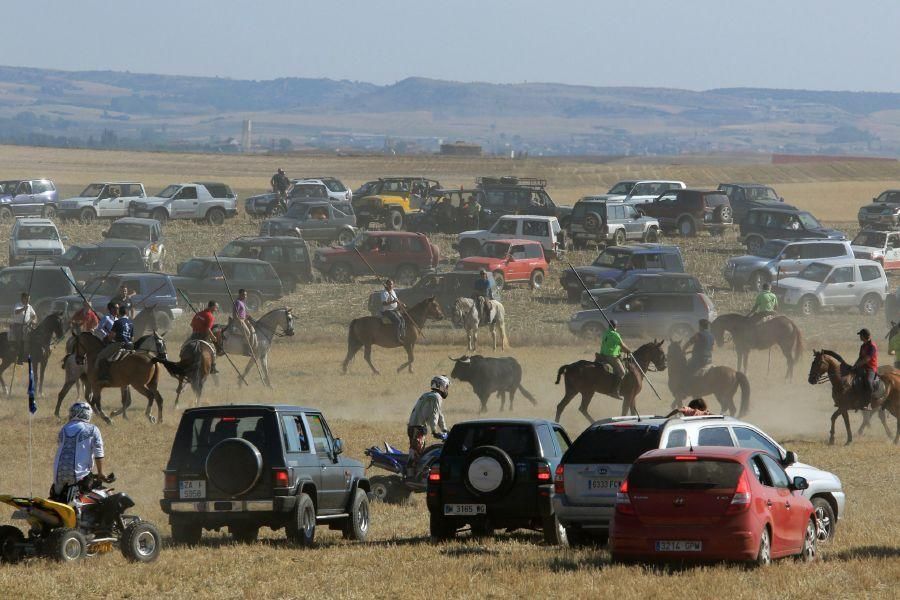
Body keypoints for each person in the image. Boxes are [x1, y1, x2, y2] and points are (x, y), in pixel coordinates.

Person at [51, 402, 108, 504]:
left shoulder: (64, 429)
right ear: (87, 414)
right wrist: (100, 473)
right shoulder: (92, 429)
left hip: (58, 475)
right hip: (80, 475)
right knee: (101, 496)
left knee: (57, 499)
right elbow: (98, 453)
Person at [406, 376, 450, 477]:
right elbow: (433, 414)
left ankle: (413, 474)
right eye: (446, 386)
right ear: (442, 386)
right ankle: (410, 477)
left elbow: (439, 414)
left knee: (417, 451)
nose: (447, 389)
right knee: (415, 452)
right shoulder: (436, 397)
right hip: (418, 427)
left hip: (414, 426)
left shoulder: (428, 395)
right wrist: (434, 430)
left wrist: (444, 429)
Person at [95, 304, 134, 385]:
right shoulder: (131, 323)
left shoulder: (117, 321)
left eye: (118, 308)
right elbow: (132, 338)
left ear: (119, 312)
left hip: (118, 344)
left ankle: (105, 376)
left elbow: (112, 336)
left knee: (101, 356)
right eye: (115, 308)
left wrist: (107, 339)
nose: (117, 310)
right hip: (130, 345)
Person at [596, 319, 633, 399]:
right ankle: (614, 391)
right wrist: (629, 351)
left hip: (602, 355)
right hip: (611, 356)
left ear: (609, 326)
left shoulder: (605, 333)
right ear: (616, 326)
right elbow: (622, 346)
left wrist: (621, 350)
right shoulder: (615, 334)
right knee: (622, 372)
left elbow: (614, 345)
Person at [189, 300, 219, 374]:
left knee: (184, 346)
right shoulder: (210, 316)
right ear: (212, 307)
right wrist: (213, 337)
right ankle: (213, 367)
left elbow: (191, 325)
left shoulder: (198, 314)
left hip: (193, 336)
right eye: (216, 307)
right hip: (203, 336)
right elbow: (208, 329)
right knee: (213, 350)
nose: (216, 309)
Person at [10, 292, 37, 364]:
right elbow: (16, 312)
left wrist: (34, 320)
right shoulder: (18, 305)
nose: (28, 300)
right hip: (18, 326)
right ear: (22, 298)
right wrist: (23, 308)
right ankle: (19, 358)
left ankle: (28, 355)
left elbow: (34, 315)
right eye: (27, 299)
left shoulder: (29, 306)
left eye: (29, 299)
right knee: (21, 340)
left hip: (27, 326)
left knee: (33, 338)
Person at [854, 328, 878, 405]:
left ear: (864, 336)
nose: (859, 337)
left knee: (868, 382)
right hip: (862, 367)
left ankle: (868, 403)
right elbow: (860, 358)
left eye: (860, 335)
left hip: (871, 368)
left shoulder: (872, 346)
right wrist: (854, 366)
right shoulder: (862, 346)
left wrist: (857, 365)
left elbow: (867, 359)